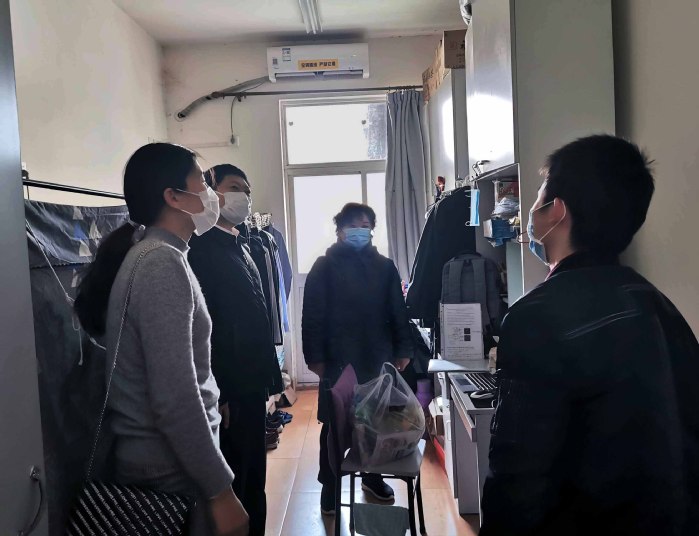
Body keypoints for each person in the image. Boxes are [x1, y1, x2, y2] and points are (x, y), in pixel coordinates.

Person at [480, 135, 699, 536]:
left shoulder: (536, 317)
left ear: (557, 210)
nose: (531, 209)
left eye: (538, 196)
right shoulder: (658, 305)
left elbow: (517, 476)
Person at [74, 143, 249, 536]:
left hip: (170, 462)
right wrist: (220, 491)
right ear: (173, 197)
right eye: (202, 182)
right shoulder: (160, 263)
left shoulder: (161, 255)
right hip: (170, 470)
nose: (212, 194)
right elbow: (174, 397)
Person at [188, 164, 283, 536]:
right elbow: (204, 331)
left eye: (247, 190)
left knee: (254, 476)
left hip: (251, 384)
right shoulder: (201, 251)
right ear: (212, 191)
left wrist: (269, 379)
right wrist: (221, 393)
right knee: (239, 479)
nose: (243, 196)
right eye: (234, 187)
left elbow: (255, 317)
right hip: (231, 391)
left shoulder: (240, 244)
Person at [302, 202, 414, 515]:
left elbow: (398, 311)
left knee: (376, 422)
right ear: (339, 230)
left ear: (372, 231)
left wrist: (404, 349)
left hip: (377, 356)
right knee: (334, 427)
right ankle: (330, 485)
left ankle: (372, 478)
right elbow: (312, 316)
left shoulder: (385, 267)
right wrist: (315, 358)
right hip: (337, 360)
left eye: (365, 226)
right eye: (353, 225)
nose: (359, 231)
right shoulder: (324, 266)